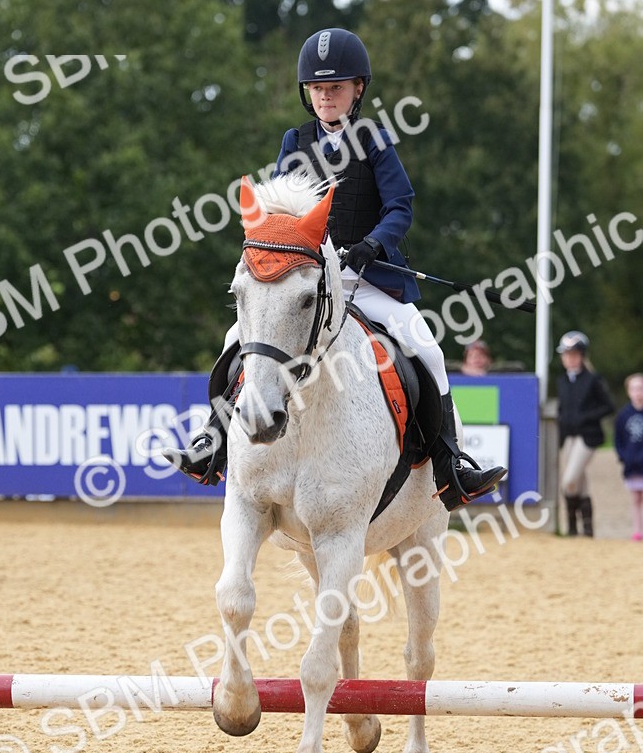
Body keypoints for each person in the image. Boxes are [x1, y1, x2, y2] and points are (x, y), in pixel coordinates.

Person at [163, 27, 505, 511]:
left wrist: (372, 245)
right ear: (308, 94)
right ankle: (212, 442)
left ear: (357, 89)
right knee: (233, 341)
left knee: (425, 346)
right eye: (319, 89)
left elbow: (400, 206)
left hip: (366, 279)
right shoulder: (294, 140)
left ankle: (451, 464)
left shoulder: (376, 141)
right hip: (304, 279)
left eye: (337, 87)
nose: (327, 96)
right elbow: (279, 208)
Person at [556, 330, 614, 537]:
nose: (569, 359)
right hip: (568, 436)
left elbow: (608, 406)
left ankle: (576, 523)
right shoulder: (562, 380)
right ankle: (581, 527)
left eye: (573, 354)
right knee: (579, 481)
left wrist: (586, 417)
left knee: (569, 480)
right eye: (566, 355)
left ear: (581, 356)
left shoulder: (592, 379)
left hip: (586, 435)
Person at [614, 373, 643, 541]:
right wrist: (624, 457)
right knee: (635, 498)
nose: (638, 392)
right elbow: (618, 440)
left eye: (641, 388)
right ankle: (637, 530)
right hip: (632, 465)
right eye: (634, 389)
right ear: (628, 392)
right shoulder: (623, 416)